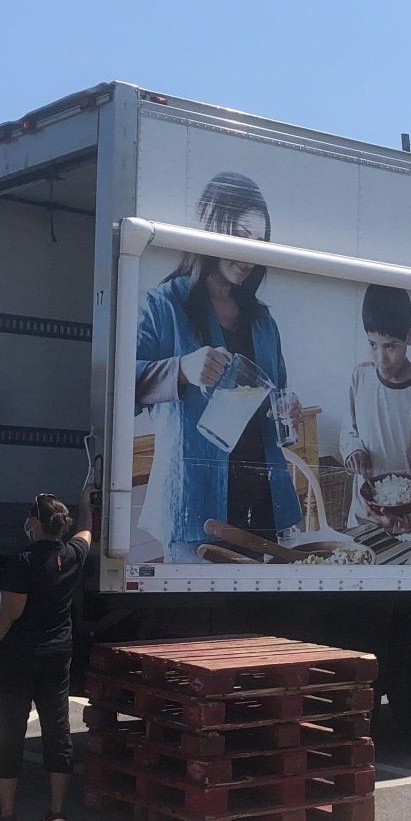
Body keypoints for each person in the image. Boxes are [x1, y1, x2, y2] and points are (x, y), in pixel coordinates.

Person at [133, 172, 301, 560]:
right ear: (211, 227)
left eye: (259, 243)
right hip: (195, 508)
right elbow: (119, 388)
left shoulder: (262, 320)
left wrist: (286, 407)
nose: (250, 255)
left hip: (263, 505)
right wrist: (181, 369)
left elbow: (279, 394)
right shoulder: (162, 306)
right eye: (241, 237)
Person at [0, 490, 94, 821]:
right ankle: (57, 814)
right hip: (58, 655)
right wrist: (87, 505)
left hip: (20, 658)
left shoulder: (22, 563)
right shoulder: (73, 556)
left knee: (12, 734)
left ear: (34, 523)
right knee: (57, 731)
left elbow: (8, 618)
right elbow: (87, 533)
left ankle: (7, 818)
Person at [341, 284, 411, 530]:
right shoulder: (360, 377)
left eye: (390, 346)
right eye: (372, 344)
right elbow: (348, 431)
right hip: (362, 516)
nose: (380, 358)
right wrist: (353, 450)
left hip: (404, 520)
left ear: (409, 336)